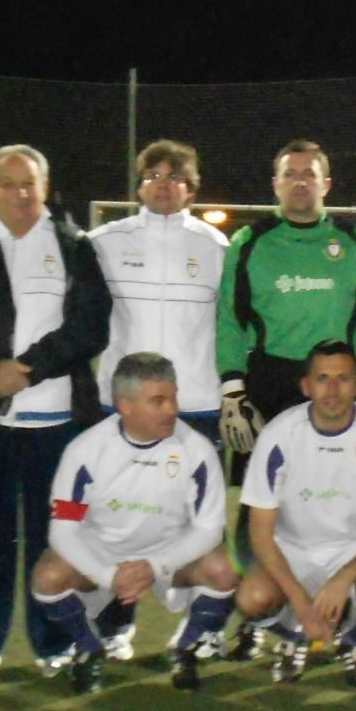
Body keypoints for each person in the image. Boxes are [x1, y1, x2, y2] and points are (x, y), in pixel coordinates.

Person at [0, 143, 112, 680]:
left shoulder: (74, 245)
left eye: (29, 182)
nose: (20, 193)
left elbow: (90, 326)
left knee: (50, 538)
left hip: (57, 423)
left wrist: (27, 369)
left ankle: (52, 642)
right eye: (8, 184)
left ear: (45, 185)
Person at [215, 139, 356, 658]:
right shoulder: (250, 241)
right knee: (258, 507)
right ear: (275, 185)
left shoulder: (354, 242)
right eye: (289, 173)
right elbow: (231, 320)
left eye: (309, 174)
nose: (299, 182)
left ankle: (348, 610)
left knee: (343, 500)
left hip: (336, 381)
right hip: (269, 382)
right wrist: (233, 391)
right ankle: (262, 615)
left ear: (326, 185)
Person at [88, 139, 228, 660]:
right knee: (119, 519)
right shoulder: (102, 242)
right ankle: (114, 626)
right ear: (139, 184)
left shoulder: (217, 248)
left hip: (195, 404)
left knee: (200, 522)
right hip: (123, 407)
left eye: (175, 177)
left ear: (192, 187)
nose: (163, 185)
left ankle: (202, 625)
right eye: (153, 176)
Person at [28, 353, 236, 694]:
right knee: (47, 577)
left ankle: (184, 648)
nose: (172, 409)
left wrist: (154, 566)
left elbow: (209, 530)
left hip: (168, 554)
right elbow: (62, 531)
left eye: (173, 397)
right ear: (124, 406)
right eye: (158, 401)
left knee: (223, 571)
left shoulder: (197, 450)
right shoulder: (84, 450)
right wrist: (108, 576)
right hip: (105, 553)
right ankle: (88, 649)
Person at [232, 340, 356, 689]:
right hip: (292, 549)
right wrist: (301, 603)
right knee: (252, 598)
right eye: (322, 378)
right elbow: (260, 532)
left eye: (343, 379)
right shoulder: (279, 435)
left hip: (354, 550)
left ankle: (355, 643)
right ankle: (295, 638)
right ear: (306, 385)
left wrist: (344, 577)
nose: (332, 390)